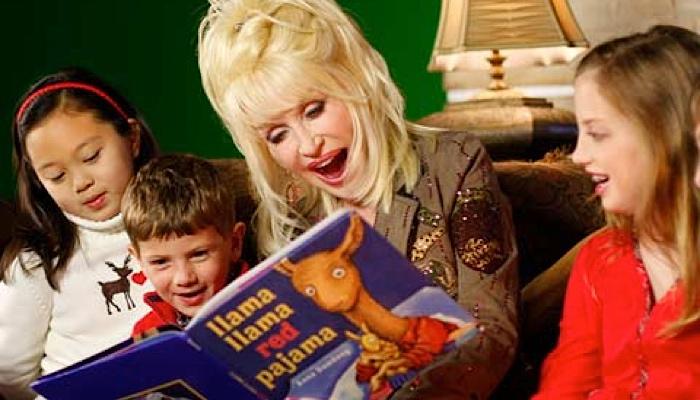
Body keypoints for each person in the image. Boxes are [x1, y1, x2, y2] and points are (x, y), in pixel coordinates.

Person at [197, 0, 518, 397]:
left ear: (354, 81)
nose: (308, 145)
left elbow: (491, 330)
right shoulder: (290, 209)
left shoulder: (452, 163)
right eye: (277, 135)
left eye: (314, 111)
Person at [534, 25, 700, 398]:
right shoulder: (600, 259)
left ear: (665, 136)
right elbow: (566, 384)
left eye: (597, 133)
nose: (578, 155)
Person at [0, 67, 159, 399]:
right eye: (56, 176)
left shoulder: (185, 218)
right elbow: (10, 377)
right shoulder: (37, 263)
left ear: (132, 138)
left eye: (91, 157)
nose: (80, 183)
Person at [121, 154, 248, 338]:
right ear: (139, 260)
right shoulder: (146, 334)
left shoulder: (273, 306)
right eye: (160, 262)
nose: (184, 278)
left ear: (235, 244)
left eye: (199, 254)